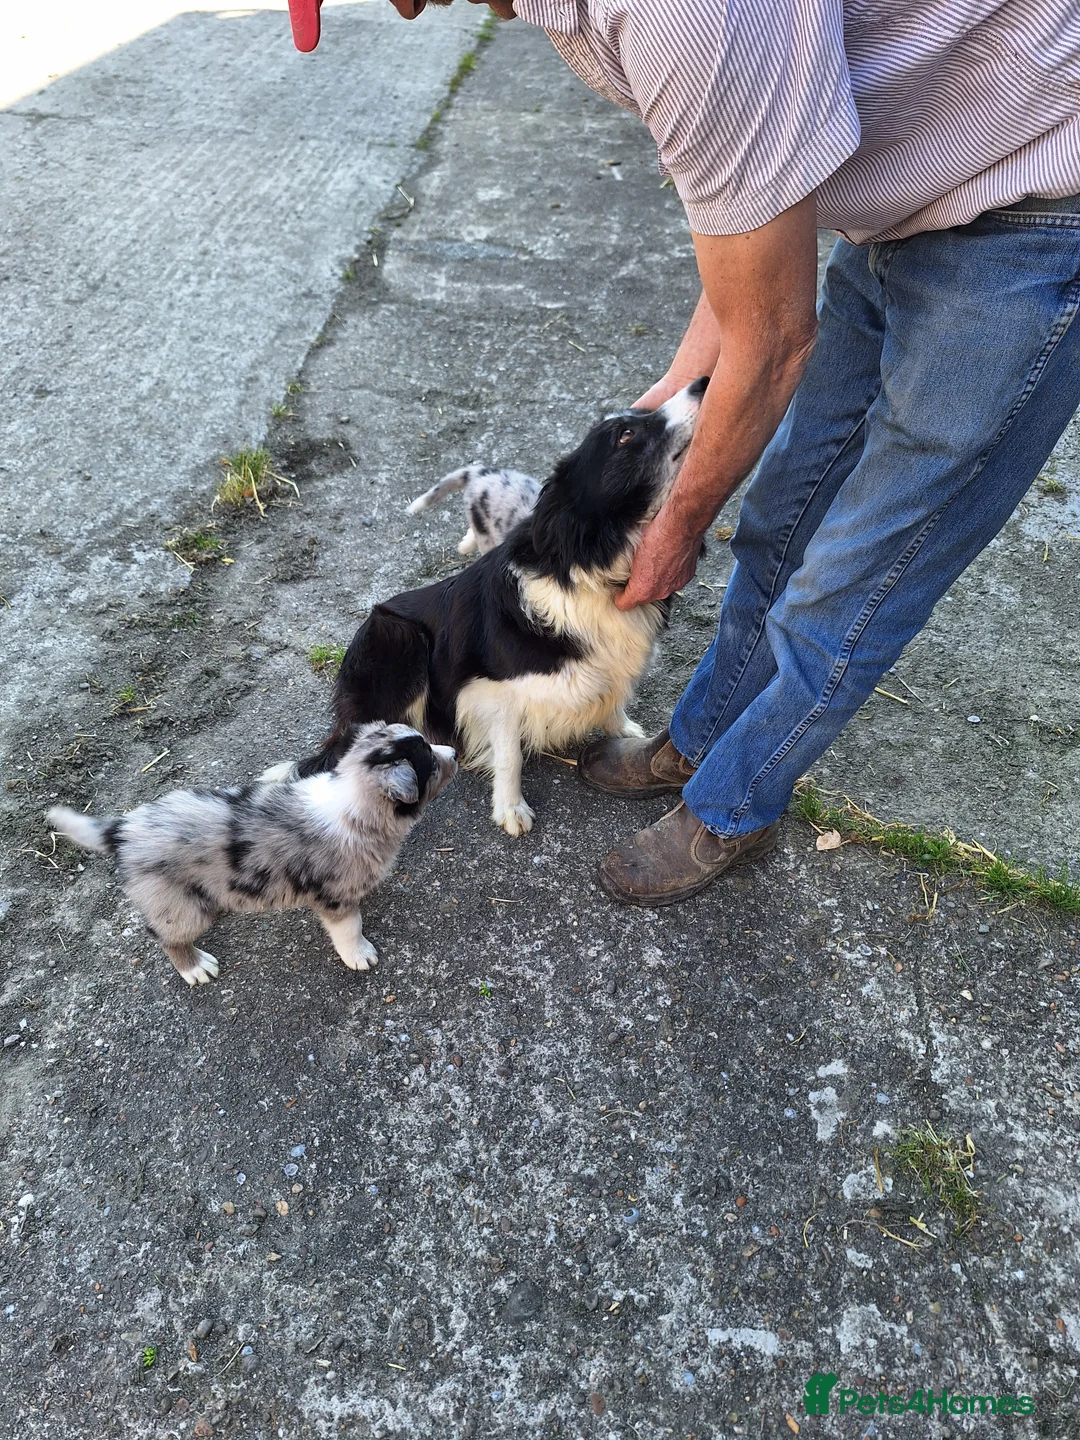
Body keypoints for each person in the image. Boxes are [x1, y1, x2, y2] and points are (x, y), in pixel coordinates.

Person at [388, 0, 1080, 906]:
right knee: (781, 516)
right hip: (904, 211)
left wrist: (676, 524)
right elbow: (747, 236)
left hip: (1028, 221)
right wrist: (664, 406)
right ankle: (707, 733)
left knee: (854, 578)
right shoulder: (596, 19)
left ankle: (732, 805)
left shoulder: (679, 17)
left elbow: (775, 338)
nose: (400, 8)